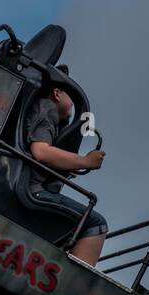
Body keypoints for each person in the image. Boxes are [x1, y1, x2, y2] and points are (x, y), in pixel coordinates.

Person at [23, 86, 107, 265]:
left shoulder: (43, 111)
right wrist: (85, 161)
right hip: (32, 190)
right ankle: (73, 287)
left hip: (29, 187)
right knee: (96, 224)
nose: (72, 105)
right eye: (69, 96)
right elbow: (41, 152)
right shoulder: (47, 108)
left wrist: (71, 164)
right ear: (57, 93)